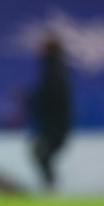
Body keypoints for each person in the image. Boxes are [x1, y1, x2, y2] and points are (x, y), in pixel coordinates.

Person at [28, 34, 72, 191]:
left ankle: (51, 186)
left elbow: (51, 99)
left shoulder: (54, 70)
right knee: (40, 154)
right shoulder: (56, 68)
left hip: (53, 125)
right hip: (56, 124)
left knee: (41, 154)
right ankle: (50, 185)